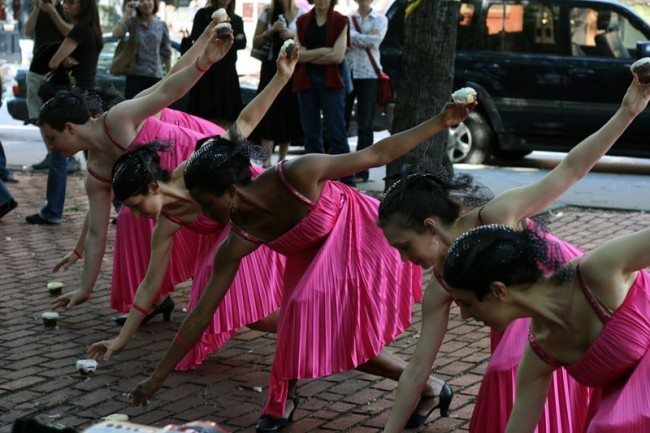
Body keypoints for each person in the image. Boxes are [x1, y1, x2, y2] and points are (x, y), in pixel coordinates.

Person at [128, 92, 477, 433]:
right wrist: (155, 378)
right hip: (308, 255)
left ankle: (421, 386)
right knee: (307, 324)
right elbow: (201, 314)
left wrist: (440, 122)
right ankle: (423, 387)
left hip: (357, 235)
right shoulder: (238, 236)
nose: (204, 215)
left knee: (320, 322)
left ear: (232, 193)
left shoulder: (297, 172)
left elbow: (377, 153)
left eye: (206, 204)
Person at [377, 70, 650, 432]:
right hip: (577, 345)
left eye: (403, 246)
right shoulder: (537, 349)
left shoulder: (504, 218)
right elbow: (417, 368)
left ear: (429, 226)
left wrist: (627, 112)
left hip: (586, 304)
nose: (403, 259)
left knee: (506, 366)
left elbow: (570, 168)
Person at [38, 18, 233, 312]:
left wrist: (204, 58)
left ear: (69, 128)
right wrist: (84, 288)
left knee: (239, 212)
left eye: (51, 139)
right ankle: (153, 299)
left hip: (195, 156)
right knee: (133, 217)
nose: (50, 147)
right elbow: (96, 232)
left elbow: (168, 88)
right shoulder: (96, 173)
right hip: (165, 187)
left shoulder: (118, 118)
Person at [86, 141, 284, 371]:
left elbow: (238, 129)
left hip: (249, 212)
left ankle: (314, 325)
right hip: (226, 237)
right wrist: (121, 339)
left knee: (255, 311)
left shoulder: (191, 173)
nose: (138, 216)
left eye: (137, 206)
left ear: (153, 188)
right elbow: (150, 284)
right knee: (249, 311)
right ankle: (310, 323)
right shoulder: (165, 225)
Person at [443, 224, 650, 432]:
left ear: (498, 290)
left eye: (467, 304)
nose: (464, 315)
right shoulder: (542, 349)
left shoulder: (596, 271)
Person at [294, 0, 354, 186]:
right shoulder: (303, 20)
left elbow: (337, 56)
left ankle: (347, 181)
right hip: (306, 81)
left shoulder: (340, 20)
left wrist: (309, 54)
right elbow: (297, 55)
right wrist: (324, 52)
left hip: (331, 83)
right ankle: (315, 180)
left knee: (337, 134)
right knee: (311, 134)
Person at [250, 0, 306, 168]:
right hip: (270, 67)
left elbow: (304, 44)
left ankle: (282, 162)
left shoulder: (301, 14)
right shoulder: (267, 12)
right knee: (267, 111)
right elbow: (255, 41)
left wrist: (291, 35)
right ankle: (265, 163)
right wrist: (271, 30)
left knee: (287, 112)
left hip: (291, 68)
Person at [344, 0, 386, 184]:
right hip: (348, 72)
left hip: (369, 74)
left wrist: (354, 37)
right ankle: (340, 168)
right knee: (341, 121)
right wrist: (365, 37)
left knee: (365, 124)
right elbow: (345, 41)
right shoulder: (347, 18)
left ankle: (362, 171)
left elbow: (376, 40)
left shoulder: (380, 18)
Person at [186, 0, 246, 129]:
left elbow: (242, 42)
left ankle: (222, 148)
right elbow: (197, 38)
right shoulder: (203, 14)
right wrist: (229, 36)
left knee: (227, 119)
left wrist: (223, 38)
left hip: (227, 74)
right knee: (202, 120)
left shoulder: (236, 19)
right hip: (206, 72)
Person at [112, 0, 172, 99]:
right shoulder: (132, 22)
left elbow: (166, 52)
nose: (146, 3)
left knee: (153, 112)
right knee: (132, 112)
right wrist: (127, 13)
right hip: (135, 77)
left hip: (155, 77)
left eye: (149, 0)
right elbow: (116, 34)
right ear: (137, 5)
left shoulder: (161, 25)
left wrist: (170, 76)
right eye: (142, 1)